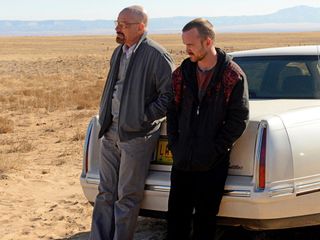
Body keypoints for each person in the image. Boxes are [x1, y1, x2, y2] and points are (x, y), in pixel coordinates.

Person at [89, 5, 174, 240]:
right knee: (105, 192)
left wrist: (143, 117)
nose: (118, 28)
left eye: (123, 25)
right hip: (111, 131)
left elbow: (170, 95)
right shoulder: (118, 52)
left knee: (127, 195)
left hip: (137, 135)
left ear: (141, 27)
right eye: (117, 23)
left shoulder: (156, 55)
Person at [166, 18, 249, 240]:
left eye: (190, 45)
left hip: (212, 164)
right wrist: (175, 144)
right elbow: (172, 110)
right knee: (175, 222)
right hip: (182, 161)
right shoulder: (181, 74)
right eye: (185, 44)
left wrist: (215, 149)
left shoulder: (232, 75)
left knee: (205, 223)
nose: (186, 50)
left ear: (207, 41)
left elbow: (238, 118)